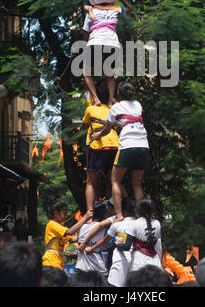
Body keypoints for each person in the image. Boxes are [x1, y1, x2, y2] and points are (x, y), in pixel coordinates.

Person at [91, 81, 149, 222]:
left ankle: (118, 215)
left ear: (118, 93)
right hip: (143, 145)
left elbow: (107, 129)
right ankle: (141, 217)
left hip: (128, 145)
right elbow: (127, 110)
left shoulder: (115, 108)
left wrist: (97, 135)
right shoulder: (138, 105)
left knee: (115, 181)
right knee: (137, 184)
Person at [83, 0, 132, 108]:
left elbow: (85, 33)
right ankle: (111, 100)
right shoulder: (114, 10)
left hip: (95, 42)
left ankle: (96, 99)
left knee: (87, 72)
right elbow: (129, 9)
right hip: (112, 44)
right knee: (109, 74)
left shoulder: (92, 11)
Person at [82, 78, 123, 212]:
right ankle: (120, 210)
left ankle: (90, 213)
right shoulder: (114, 109)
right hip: (115, 144)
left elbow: (84, 126)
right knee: (113, 180)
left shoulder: (91, 108)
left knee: (91, 182)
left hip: (97, 145)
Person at [84, 198, 136, 287]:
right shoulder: (141, 224)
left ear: (122, 211)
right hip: (137, 260)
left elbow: (104, 240)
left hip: (120, 260)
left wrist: (90, 248)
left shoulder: (118, 224)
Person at [42, 201, 93, 271]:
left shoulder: (59, 227)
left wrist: (90, 231)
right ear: (56, 213)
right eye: (64, 214)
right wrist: (85, 218)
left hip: (57, 258)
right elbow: (70, 232)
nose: (66, 217)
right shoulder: (52, 225)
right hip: (51, 259)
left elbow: (74, 239)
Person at [117, 199, 162, 272]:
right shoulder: (157, 223)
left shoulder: (134, 224)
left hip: (138, 262)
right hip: (155, 262)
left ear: (138, 210)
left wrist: (117, 240)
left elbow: (126, 246)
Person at [76, 201, 112, 276]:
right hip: (98, 267)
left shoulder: (82, 227)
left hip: (81, 266)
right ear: (105, 214)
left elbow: (78, 241)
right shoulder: (105, 227)